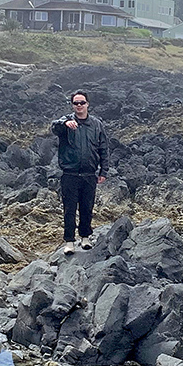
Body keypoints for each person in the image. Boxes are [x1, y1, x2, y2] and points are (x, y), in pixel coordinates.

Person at [51, 90, 109, 254]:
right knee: (69, 209)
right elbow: (54, 127)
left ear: (87, 104)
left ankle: (85, 237)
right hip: (70, 174)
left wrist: (104, 170)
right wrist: (64, 123)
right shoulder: (66, 123)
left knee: (87, 207)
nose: (79, 106)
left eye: (82, 102)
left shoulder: (97, 124)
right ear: (72, 105)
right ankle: (69, 241)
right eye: (75, 103)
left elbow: (104, 148)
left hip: (89, 174)